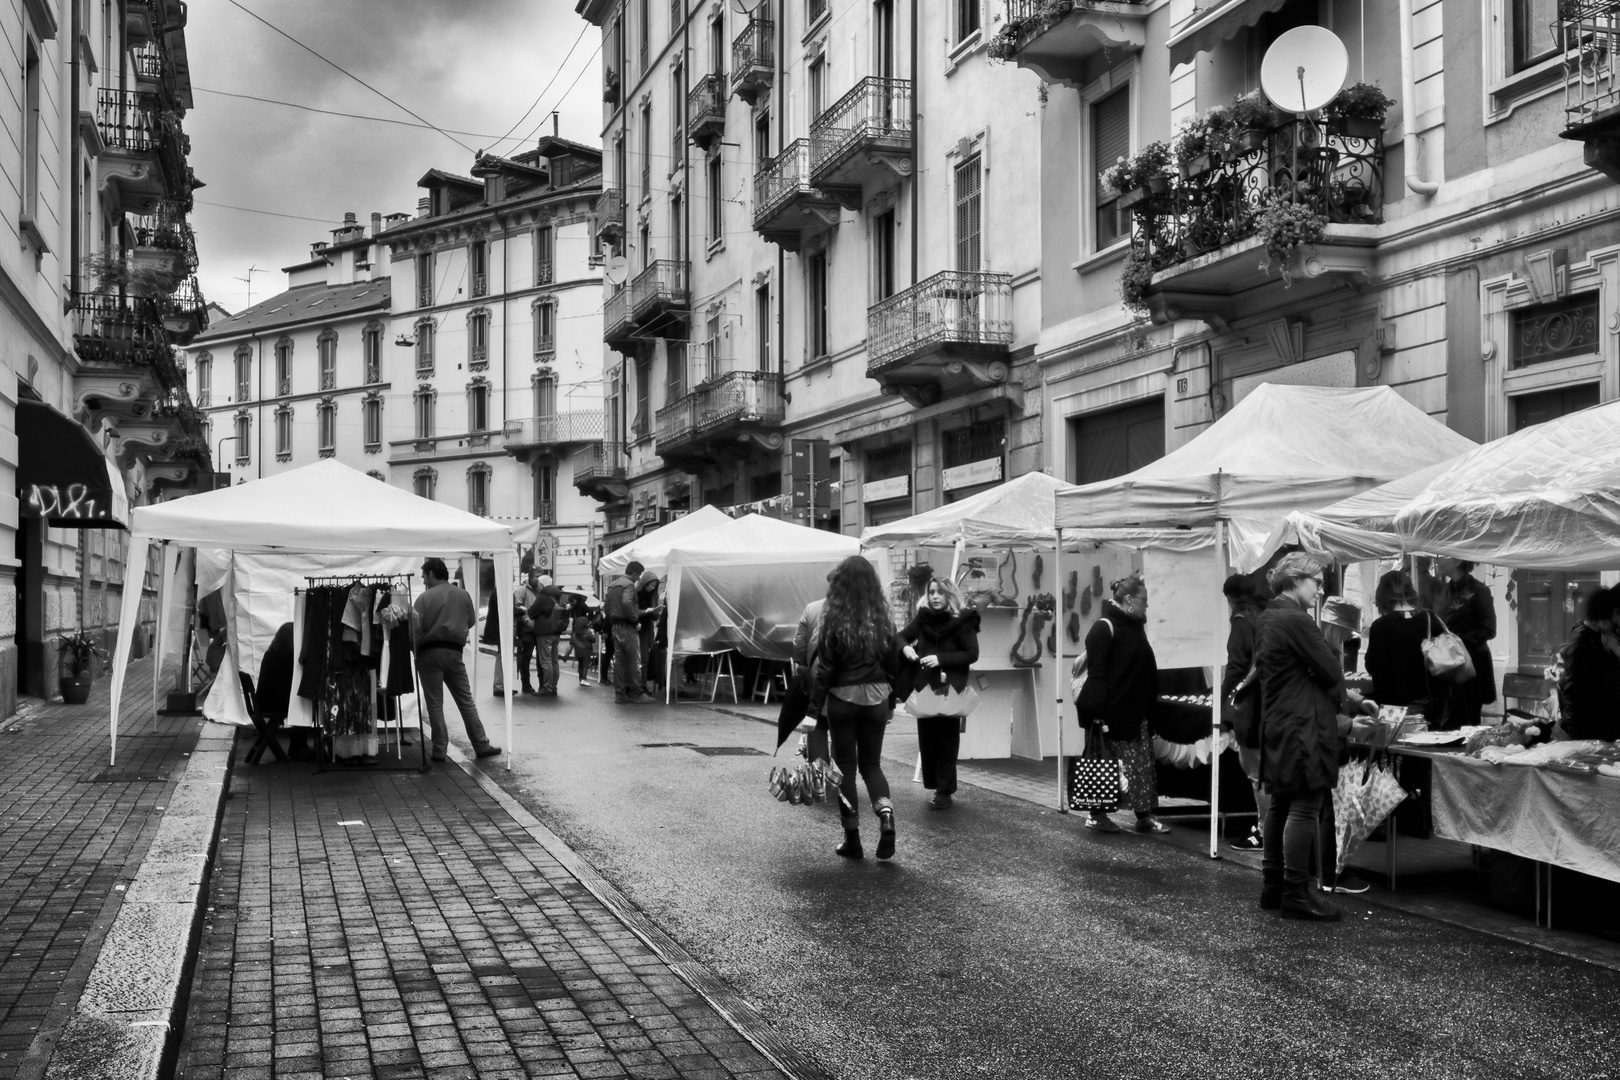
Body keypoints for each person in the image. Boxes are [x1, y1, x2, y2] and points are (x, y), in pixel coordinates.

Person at [1253, 553, 1374, 922]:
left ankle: (1273, 888)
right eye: (1316, 581)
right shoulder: (1296, 619)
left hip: (1279, 721)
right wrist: (1347, 705)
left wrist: (1347, 699)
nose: (1320, 588)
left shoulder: (1268, 616)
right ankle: (1295, 892)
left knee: (1280, 804)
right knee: (1305, 805)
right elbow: (1328, 667)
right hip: (1302, 726)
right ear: (1294, 579)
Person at [810, 555, 902, 861]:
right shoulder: (884, 620)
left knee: (845, 769)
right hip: (877, 697)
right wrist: (891, 702)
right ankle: (886, 816)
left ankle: (853, 840)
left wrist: (813, 710)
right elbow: (893, 666)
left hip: (843, 700)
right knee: (872, 766)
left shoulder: (833, 618)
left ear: (841, 584)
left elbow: (825, 669)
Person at [1076, 575, 1167, 834]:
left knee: (1139, 768)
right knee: (1104, 764)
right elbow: (1098, 673)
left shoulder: (1135, 627)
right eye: (1144, 600)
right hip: (1109, 714)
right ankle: (1097, 815)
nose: (1147, 606)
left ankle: (1144, 816)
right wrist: (1099, 714)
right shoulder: (1103, 628)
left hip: (1135, 713)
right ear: (1128, 600)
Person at [899, 577, 980, 810]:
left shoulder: (963, 620)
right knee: (928, 741)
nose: (934, 596)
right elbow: (900, 636)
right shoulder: (923, 618)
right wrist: (905, 648)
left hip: (950, 687)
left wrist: (940, 659)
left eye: (940, 593)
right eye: (931, 592)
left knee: (947, 740)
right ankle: (938, 785)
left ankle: (944, 790)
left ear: (949, 596)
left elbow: (972, 654)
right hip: (926, 687)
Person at [411, 557, 501, 763]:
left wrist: (415, 647)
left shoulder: (424, 599)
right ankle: (481, 744)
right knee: (465, 701)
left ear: (432, 574)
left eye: (424, 575)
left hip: (429, 653)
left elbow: (415, 629)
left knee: (435, 704)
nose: (424, 580)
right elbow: (470, 621)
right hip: (454, 652)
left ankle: (439, 750)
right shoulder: (463, 595)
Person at [1222, 574, 1269, 852]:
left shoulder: (1241, 623)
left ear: (1230, 598)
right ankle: (1266, 827)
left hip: (1250, 705)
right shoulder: (1264, 615)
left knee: (1255, 772)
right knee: (1264, 770)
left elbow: (1235, 667)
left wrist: (1223, 701)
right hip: (1270, 701)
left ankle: (1263, 830)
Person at [1364, 570, 1436, 719]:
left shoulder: (1380, 626)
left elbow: (1373, 666)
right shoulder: (1430, 619)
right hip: (1431, 703)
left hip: (1394, 708)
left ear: (1382, 595)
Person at [1435, 559, 1496, 729]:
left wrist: (1456, 641)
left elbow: (1488, 629)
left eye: (1443, 557)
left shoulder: (1479, 590)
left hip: (1472, 665)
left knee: (1469, 723)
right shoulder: (1443, 590)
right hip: (1448, 666)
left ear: (1456, 561)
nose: (1438, 560)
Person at [1559, 586, 1620, 741]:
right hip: (1590, 729)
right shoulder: (1581, 641)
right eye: (1615, 617)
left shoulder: (1604, 635)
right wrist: (1578, 738)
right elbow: (1573, 691)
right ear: (1604, 616)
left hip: (1607, 723)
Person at [606, 561, 654, 703]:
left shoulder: (612, 585)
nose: (638, 578)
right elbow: (627, 603)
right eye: (638, 575)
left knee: (619, 662)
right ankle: (636, 693)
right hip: (627, 627)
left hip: (616, 627)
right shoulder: (628, 585)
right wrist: (635, 620)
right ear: (633, 573)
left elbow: (607, 607)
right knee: (634, 661)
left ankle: (620, 694)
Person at [527, 574, 565, 696]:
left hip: (544, 633)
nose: (537, 586)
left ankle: (547, 687)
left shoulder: (542, 597)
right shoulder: (557, 596)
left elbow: (531, 612)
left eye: (538, 584)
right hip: (556, 632)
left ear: (542, 585)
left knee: (546, 660)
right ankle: (554, 686)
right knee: (554, 660)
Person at [636, 570, 663, 696]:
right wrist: (646, 612)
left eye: (654, 586)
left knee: (645, 660)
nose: (652, 588)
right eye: (650, 585)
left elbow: (653, 617)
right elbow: (632, 612)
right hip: (637, 629)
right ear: (645, 583)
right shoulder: (636, 594)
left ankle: (643, 685)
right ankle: (637, 685)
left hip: (646, 629)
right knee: (639, 659)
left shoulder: (653, 596)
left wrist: (655, 612)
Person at [570, 598, 598, 686]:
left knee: (580, 664)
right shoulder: (587, 633)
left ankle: (580, 678)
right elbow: (593, 639)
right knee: (585, 664)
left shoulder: (576, 634)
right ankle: (583, 678)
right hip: (586, 651)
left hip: (578, 651)